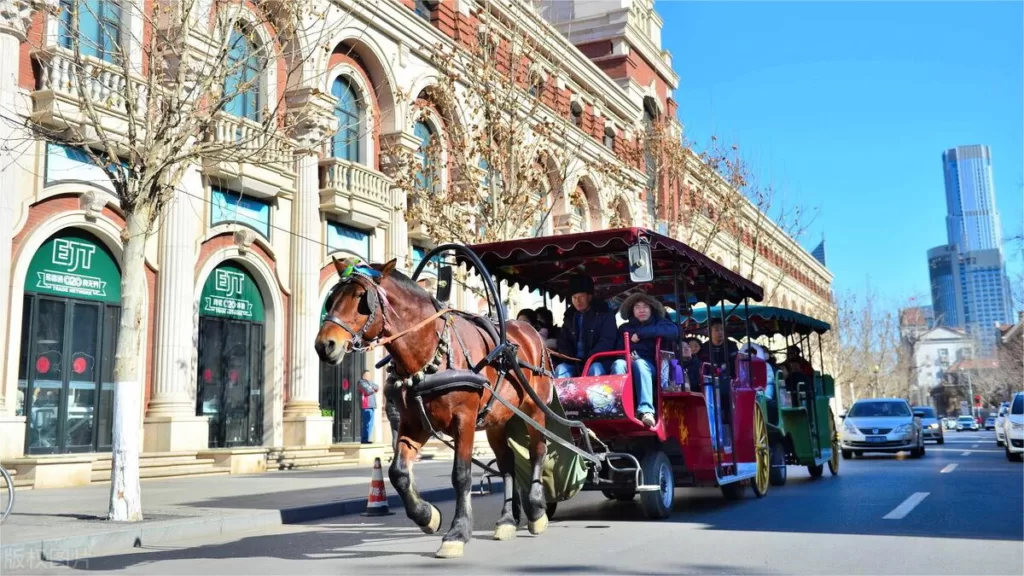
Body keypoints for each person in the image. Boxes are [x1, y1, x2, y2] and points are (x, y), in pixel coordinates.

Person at [611, 293, 679, 427]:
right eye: (637, 307)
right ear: (632, 311)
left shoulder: (661, 322)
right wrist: (626, 357)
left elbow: (673, 331)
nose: (641, 310)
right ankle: (619, 407)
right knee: (618, 364)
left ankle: (646, 410)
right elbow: (618, 348)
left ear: (652, 309)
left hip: (653, 366)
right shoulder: (624, 328)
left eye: (645, 307)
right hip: (628, 362)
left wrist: (642, 334)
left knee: (640, 364)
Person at [555, 273, 618, 378]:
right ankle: (559, 395)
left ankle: (593, 395)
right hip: (574, 362)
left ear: (589, 297)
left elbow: (608, 340)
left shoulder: (605, 313)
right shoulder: (569, 316)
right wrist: (569, 357)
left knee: (595, 369)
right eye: (574, 297)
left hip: (598, 360)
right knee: (561, 369)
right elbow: (563, 340)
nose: (577, 301)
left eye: (580, 297)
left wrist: (590, 357)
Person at [358, 370, 379, 444]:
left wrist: (371, 386)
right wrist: (372, 388)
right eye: (368, 375)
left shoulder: (369, 383)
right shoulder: (361, 383)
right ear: (364, 376)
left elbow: (377, 387)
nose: (370, 377)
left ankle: (367, 438)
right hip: (366, 406)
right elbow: (367, 390)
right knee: (366, 423)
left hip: (372, 405)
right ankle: (364, 439)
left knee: (371, 423)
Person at [383, 380, 402, 455]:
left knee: (395, 436)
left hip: (392, 419)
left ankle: (396, 454)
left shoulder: (388, 398)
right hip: (399, 417)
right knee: (401, 437)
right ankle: (400, 455)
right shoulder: (397, 394)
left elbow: (386, 409)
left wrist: (390, 418)